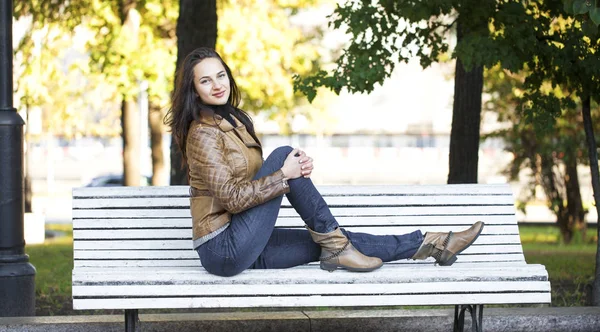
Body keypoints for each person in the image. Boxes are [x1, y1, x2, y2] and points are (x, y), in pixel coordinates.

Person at [165, 47, 484, 278]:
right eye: (205, 81)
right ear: (194, 89)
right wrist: (284, 175)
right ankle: (340, 244)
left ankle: (435, 243)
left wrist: (290, 175)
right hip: (223, 248)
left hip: (247, 242)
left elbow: (249, 186)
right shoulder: (202, 132)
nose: (217, 84)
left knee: (333, 241)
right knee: (284, 155)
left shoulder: (232, 122)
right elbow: (232, 198)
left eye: (220, 75)